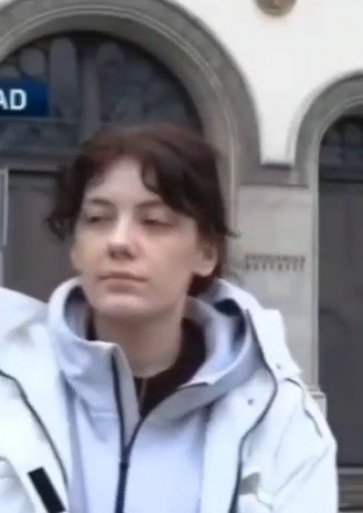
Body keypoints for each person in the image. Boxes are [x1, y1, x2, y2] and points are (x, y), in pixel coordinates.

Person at [0, 123, 338, 512]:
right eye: (97, 218)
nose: (119, 242)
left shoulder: (277, 417)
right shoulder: (11, 385)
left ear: (206, 252)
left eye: (154, 221)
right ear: (75, 247)